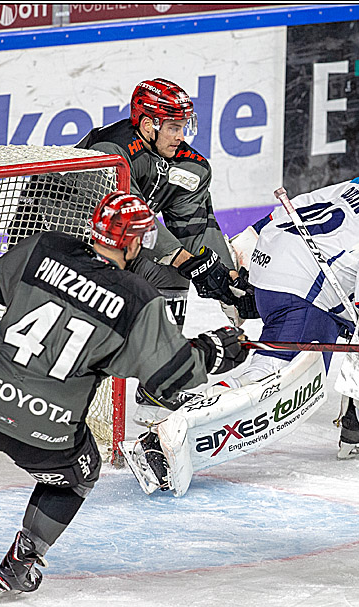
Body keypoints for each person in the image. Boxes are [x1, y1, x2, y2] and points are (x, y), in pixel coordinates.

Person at [0, 191, 248, 599]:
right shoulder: (137, 297)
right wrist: (214, 349)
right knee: (79, 473)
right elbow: (170, 380)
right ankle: (23, 560)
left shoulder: (46, 246)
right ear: (131, 243)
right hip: (45, 431)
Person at [128, 173, 359, 497]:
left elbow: (294, 209)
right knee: (272, 386)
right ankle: (170, 435)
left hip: (274, 262)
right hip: (308, 289)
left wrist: (243, 267)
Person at [76, 77, 257, 419]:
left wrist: (225, 276)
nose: (181, 135)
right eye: (174, 127)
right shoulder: (110, 153)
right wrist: (188, 259)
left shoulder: (187, 164)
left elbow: (195, 226)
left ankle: (162, 381)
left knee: (170, 274)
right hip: (60, 243)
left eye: (184, 126)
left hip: (115, 249)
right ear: (147, 124)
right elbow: (129, 218)